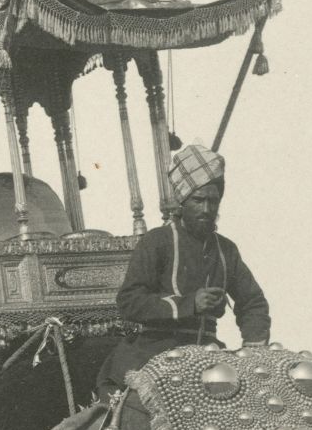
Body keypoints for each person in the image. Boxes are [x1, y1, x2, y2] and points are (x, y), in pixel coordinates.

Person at [103, 144, 272, 389]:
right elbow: (129, 301)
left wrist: (254, 350)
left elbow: (253, 303)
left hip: (210, 357)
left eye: (213, 201)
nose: (206, 209)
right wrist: (190, 303)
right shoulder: (156, 241)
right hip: (154, 355)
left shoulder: (226, 250)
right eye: (198, 200)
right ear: (182, 202)